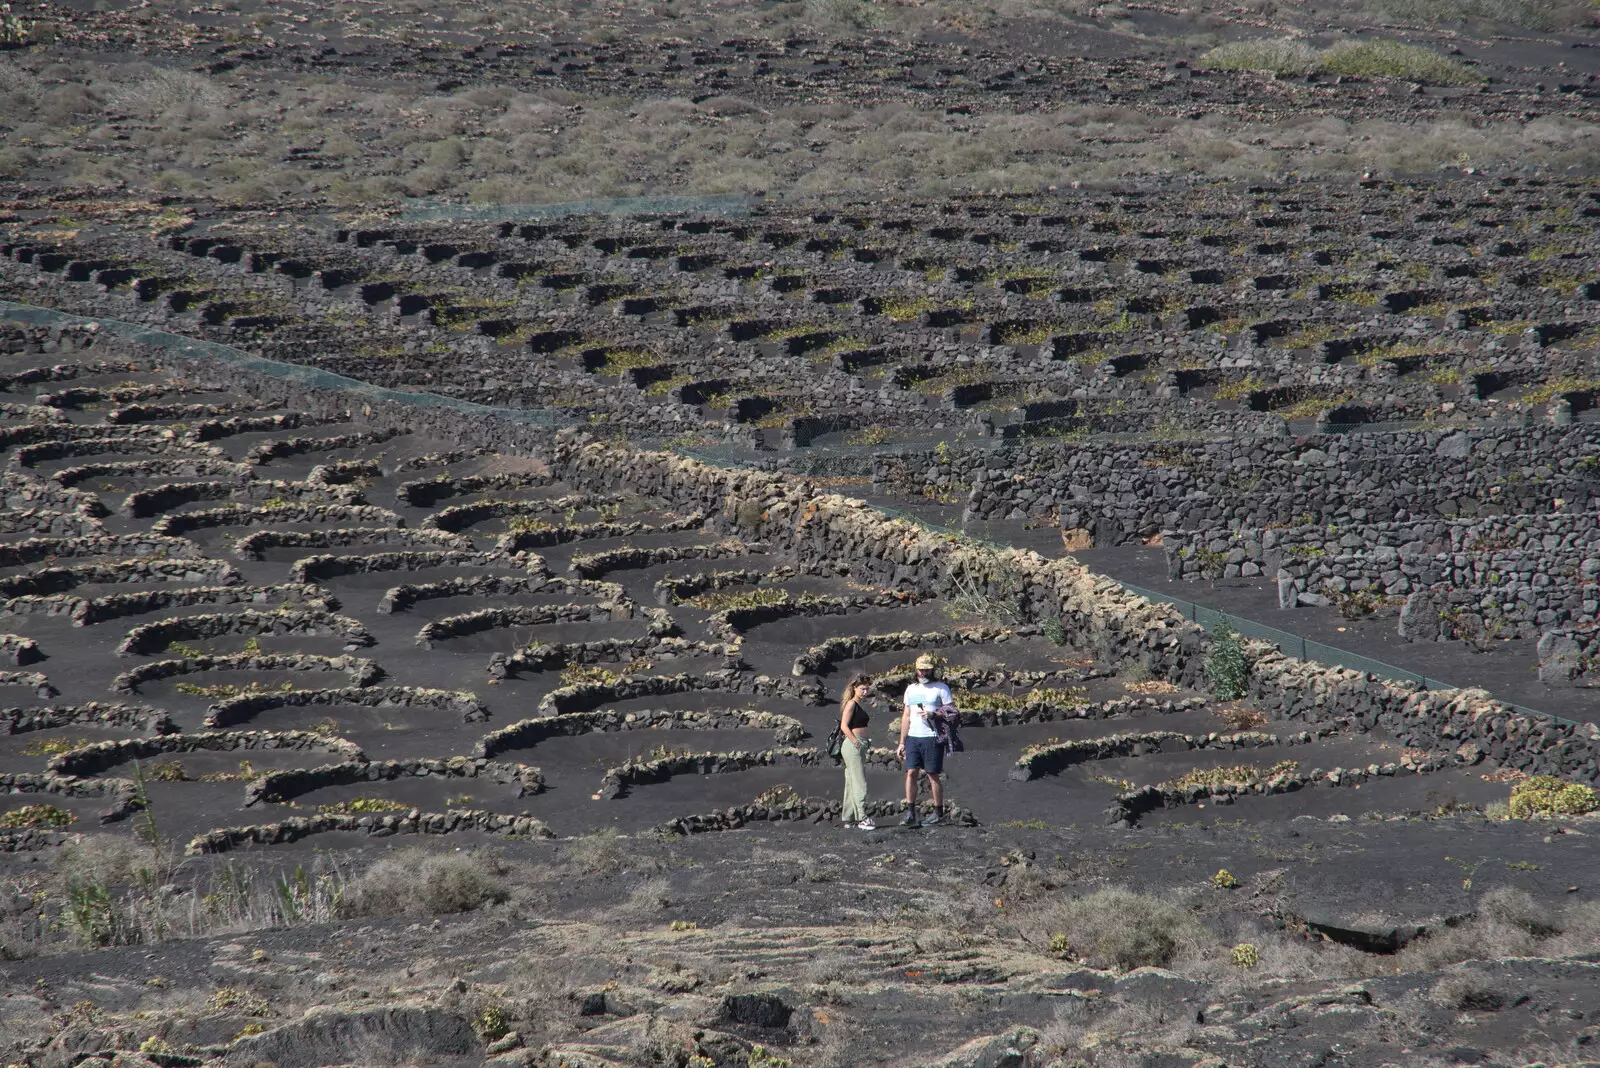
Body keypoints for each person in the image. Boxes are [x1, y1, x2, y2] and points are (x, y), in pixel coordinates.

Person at [896, 653, 954, 827]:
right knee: (911, 772)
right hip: (913, 737)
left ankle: (939, 813)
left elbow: (951, 712)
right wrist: (901, 741)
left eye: (927, 670)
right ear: (916, 670)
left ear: (932, 670)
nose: (923, 673)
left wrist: (933, 714)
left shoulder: (941, 688)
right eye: (921, 670)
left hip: (932, 737)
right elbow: (906, 716)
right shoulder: (910, 689)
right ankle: (910, 813)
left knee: (932, 774)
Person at [838, 674, 875, 830]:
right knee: (860, 782)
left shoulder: (859, 704)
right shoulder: (852, 704)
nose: (865, 691)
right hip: (854, 744)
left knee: (852, 781)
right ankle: (862, 818)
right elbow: (844, 726)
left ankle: (849, 818)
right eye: (862, 689)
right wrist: (855, 742)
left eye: (867, 689)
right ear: (854, 688)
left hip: (860, 743)